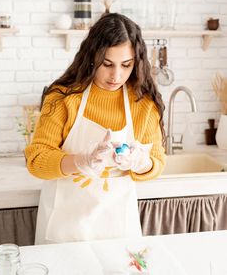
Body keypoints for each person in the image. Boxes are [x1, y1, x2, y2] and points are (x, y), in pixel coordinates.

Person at [25, 13, 165, 245]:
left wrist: (141, 162)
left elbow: (157, 162)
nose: (116, 75)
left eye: (126, 65)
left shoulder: (143, 104)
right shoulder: (63, 98)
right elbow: (36, 160)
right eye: (107, 64)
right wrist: (81, 162)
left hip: (119, 230)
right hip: (64, 230)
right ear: (92, 57)